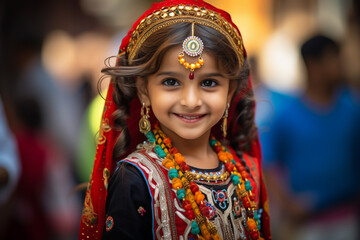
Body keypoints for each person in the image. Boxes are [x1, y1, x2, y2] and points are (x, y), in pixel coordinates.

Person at [79, 1, 272, 240]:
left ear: (230, 92)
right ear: (144, 90)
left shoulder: (247, 171)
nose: (191, 101)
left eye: (209, 83)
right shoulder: (135, 178)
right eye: (171, 82)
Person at [262, 35, 360, 240]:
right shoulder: (286, 115)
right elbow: (268, 163)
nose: (341, 65)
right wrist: (288, 205)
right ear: (313, 64)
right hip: (307, 225)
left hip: (348, 217)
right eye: (335, 59)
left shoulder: (352, 109)